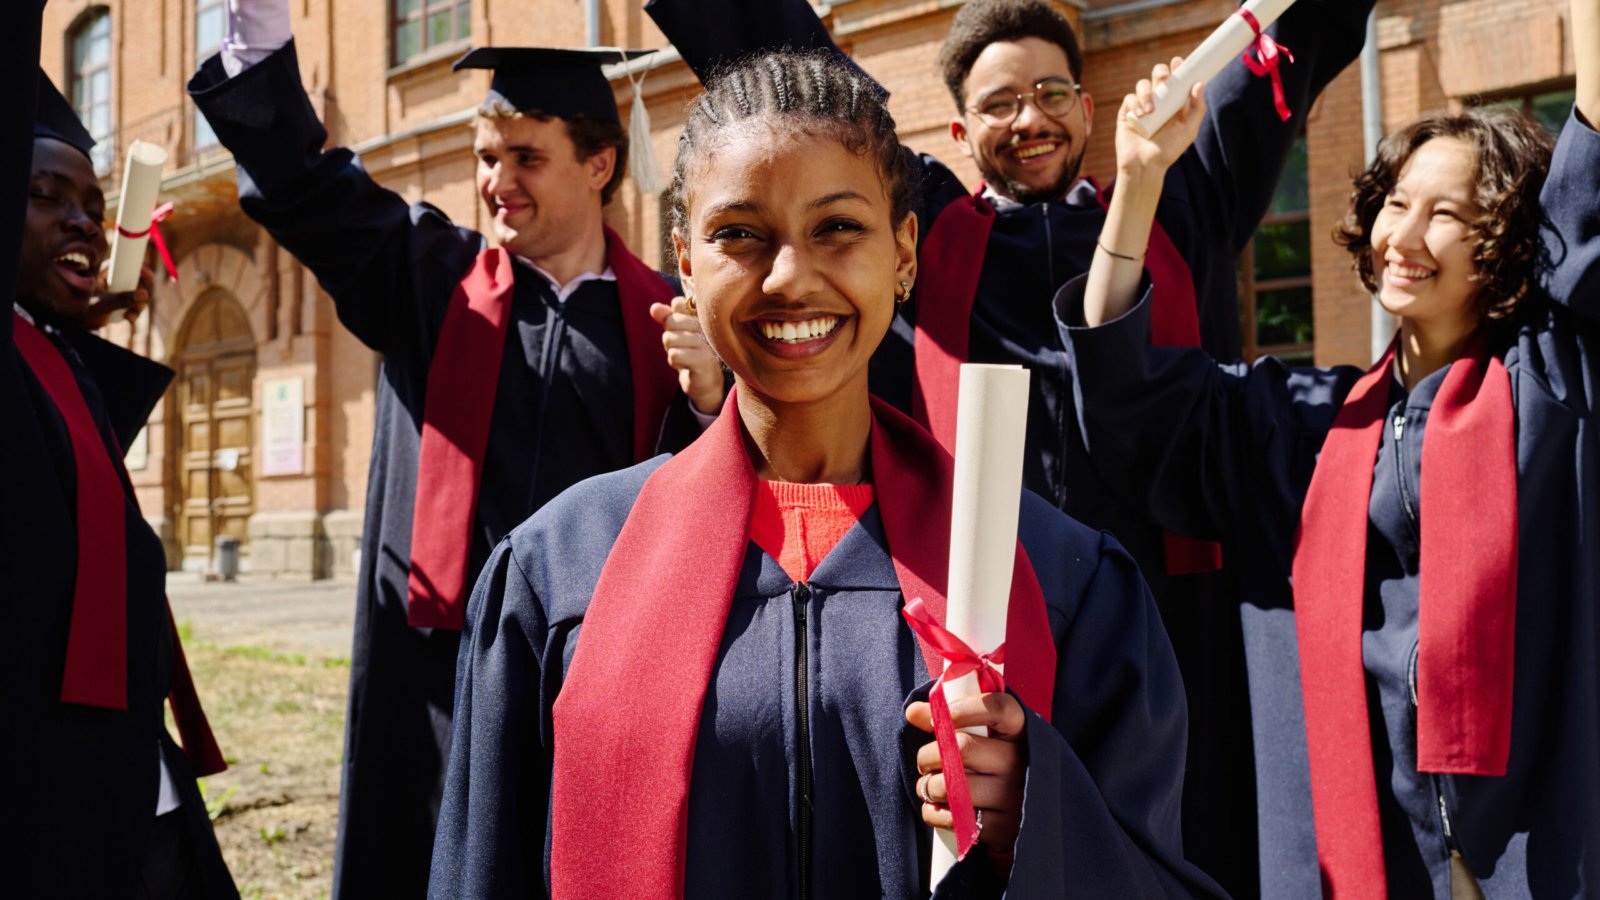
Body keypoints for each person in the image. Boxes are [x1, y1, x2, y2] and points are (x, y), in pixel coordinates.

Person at [428, 49, 1225, 900]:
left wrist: (1037, 813)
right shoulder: (560, 570)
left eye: (838, 228)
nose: (788, 277)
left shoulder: (1060, 578)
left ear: (904, 251)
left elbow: (1156, 878)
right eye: (738, 233)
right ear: (686, 263)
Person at [641, 1, 1373, 892]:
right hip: (970, 604)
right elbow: (804, 72)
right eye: (998, 104)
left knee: (1173, 837)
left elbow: (1276, 65)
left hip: (1170, 609)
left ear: (1089, 106)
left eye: (1050, 92)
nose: (1029, 118)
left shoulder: (1176, 201)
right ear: (957, 129)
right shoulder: (932, 232)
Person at [1061, 3, 1599, 892]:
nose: (1405, 236)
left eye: (1447, 215)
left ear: (1506, 240)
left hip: (1536, 848)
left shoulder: (1554, 388)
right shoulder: (1304, 422)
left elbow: (1588, 206)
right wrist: (1140, 180)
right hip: (1362, 855)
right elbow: (1127, 395)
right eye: (1396, 203)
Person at [186, 2, 716, 895]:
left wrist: (709, 403)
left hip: (601, 671)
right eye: (484, 156)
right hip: (442, 666)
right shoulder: (430, 281)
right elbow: (309, 187)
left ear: (600, 163)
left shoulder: (670, 323)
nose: (495, 181)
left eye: (525, 157)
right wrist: (257, 36)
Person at [1, 13, 237, 895]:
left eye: (95, 209)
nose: (85, 226)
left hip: (121, 756)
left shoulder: (55, 357)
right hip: (39, 776)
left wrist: (78, 322)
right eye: (44, 197)